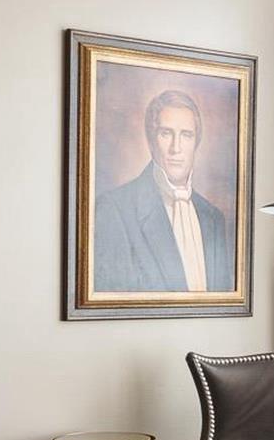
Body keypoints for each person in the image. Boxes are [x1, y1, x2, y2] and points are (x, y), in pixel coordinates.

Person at [92, 89, 232, 294]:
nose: (176, 147)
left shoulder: (214, 218)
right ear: (150, 141)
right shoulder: (114, 209)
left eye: (186, 135)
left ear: (196, 143)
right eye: (166, 133)